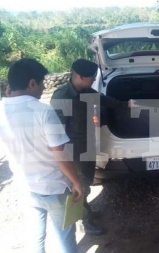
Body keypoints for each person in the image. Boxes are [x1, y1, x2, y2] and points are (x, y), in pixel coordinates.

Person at [0, 58, 83, 252]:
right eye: (42, 82)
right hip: (54, 186)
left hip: (26, 186)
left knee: (36, 237)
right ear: (31, 83)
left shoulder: (2, 110)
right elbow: (60, 154)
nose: (43, 87)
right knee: (65, 239)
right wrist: (76, 182)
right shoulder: (43, 111)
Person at [50, 59, 126, 236]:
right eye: (91, 78)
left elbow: (102, 99)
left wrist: (124, 104)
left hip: (87, 147)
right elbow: (56, 133)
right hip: (73, 152)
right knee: (78, 187)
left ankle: (87, 212)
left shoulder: (85, 90)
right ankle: (84, 222)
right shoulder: (63, 97)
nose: (93, 80)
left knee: (86, 184)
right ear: (79, 76)